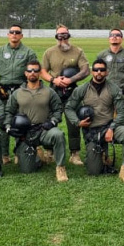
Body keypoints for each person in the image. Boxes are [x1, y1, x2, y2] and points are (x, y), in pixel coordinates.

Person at [64, 59, 124, 182]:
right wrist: (77, 122)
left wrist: (112, 128)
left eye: (102, 70)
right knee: (94, 171)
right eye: (96, 70)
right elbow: (69, 107)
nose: (99, 72)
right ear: (92, 72)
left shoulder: (113, 88)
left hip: (109, 127)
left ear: (106, 72)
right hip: (92, 131)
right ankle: (101, 155)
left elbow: (122, 111)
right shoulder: (82, 89)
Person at [3, 61, 68, 182]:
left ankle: (60, 167)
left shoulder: (49, 92)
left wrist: (53, 122)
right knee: (27, 170)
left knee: (58, 135)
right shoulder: (17, 93)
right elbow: (8, 111)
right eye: (30, 70)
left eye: (35, 70)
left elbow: (58, 109)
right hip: (25, 132)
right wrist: (8, 127)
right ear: (25, 73)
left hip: (43, 129)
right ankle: (37, 156)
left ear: (39, 73)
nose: (32, 73)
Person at [0, 24, 38, 165]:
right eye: (12, 32)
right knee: (4, 123)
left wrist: (24, 89)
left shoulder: (29, 53)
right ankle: (4, 154)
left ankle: (19, 152)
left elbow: (33, 72)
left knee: (20, 122)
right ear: (8, 34)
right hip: (2, 91)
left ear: (22, 35)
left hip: (20, 91)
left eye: (17, 32)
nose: (14, 34)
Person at [41, 25, 90, 165]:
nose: (62, 38)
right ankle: (49, 151)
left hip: (72, 91)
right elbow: (43, 71)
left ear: (69, 35)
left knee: (73, 121)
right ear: (56, 37)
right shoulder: (49, 52)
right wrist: (53, 79)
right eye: (59, 35)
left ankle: (74, 153)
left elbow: (85, 70)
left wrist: (71, 79)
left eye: (65, 35)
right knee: (50, 119)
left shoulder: (78, 51)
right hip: (54, 90)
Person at [96, 28, 124, 128]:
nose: (114, 37)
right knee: (104, 117)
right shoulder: (101, 55)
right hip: (106, 92)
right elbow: (97, 73)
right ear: (109, 39)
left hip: (123, 93)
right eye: (112, 35)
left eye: (117, 35)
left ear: (122, 39)